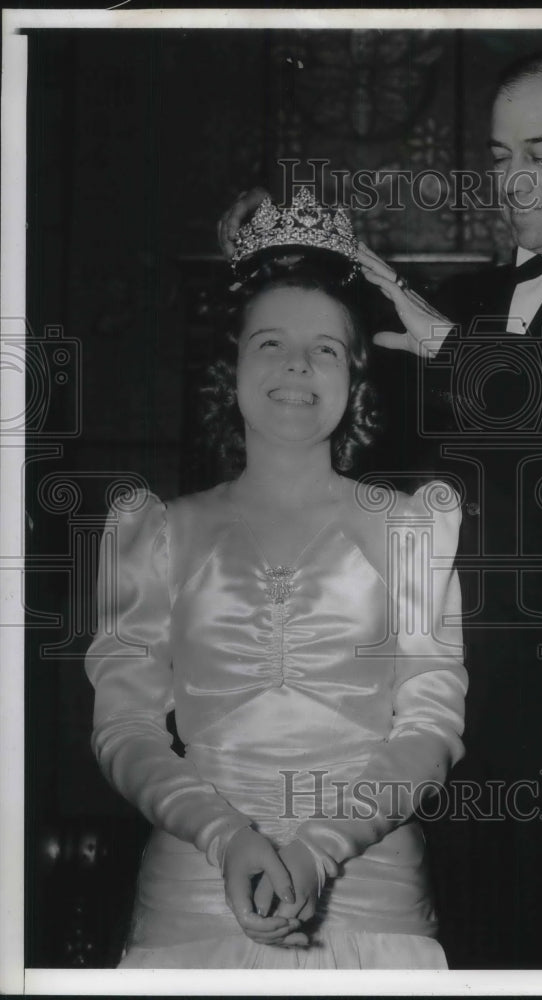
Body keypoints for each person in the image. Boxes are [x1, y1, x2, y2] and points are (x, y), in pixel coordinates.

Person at [217, 49, 542, 968]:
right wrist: (281, 252)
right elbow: (347, 442)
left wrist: (450, 349)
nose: (513, 181)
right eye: (501, 157)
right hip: (468, 729)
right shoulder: (463, 305)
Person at [85, 190, 467, 969]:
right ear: (230, 368)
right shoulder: (152, 530)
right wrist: (227, 839)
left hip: (371, 896)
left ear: (357, 375)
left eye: (326, 347)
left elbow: (430, 727)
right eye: (270, 343)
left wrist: (322, 849)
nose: (297, 364)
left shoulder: (413, 527)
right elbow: (122, 728)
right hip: (193, 900)